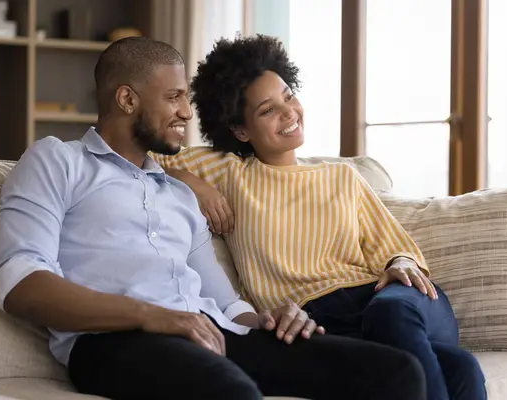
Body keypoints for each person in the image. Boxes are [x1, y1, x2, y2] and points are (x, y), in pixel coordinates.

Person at [0, 36, 428, 400]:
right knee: (232, 393)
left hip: (210, 331)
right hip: (112, 343)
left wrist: (269, 319)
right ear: (126, 98)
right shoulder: (58, 161)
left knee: (397, 372)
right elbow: (20, 284)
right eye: (173, 97)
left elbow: (226, 305)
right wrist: (150, 315)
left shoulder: (180, 193)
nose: (186, 111)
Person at [150, 34, 487, 400]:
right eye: (268, 110)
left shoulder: (341, 176)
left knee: (389, 315)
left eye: (289, 96)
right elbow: (142, 158)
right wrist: (192, 184)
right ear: (240, 130)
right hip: (324, 323)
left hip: (392, 302)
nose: (288, 112)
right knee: (461, 368)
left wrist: (401, 261)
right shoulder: (230, 174)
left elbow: (396, 250)